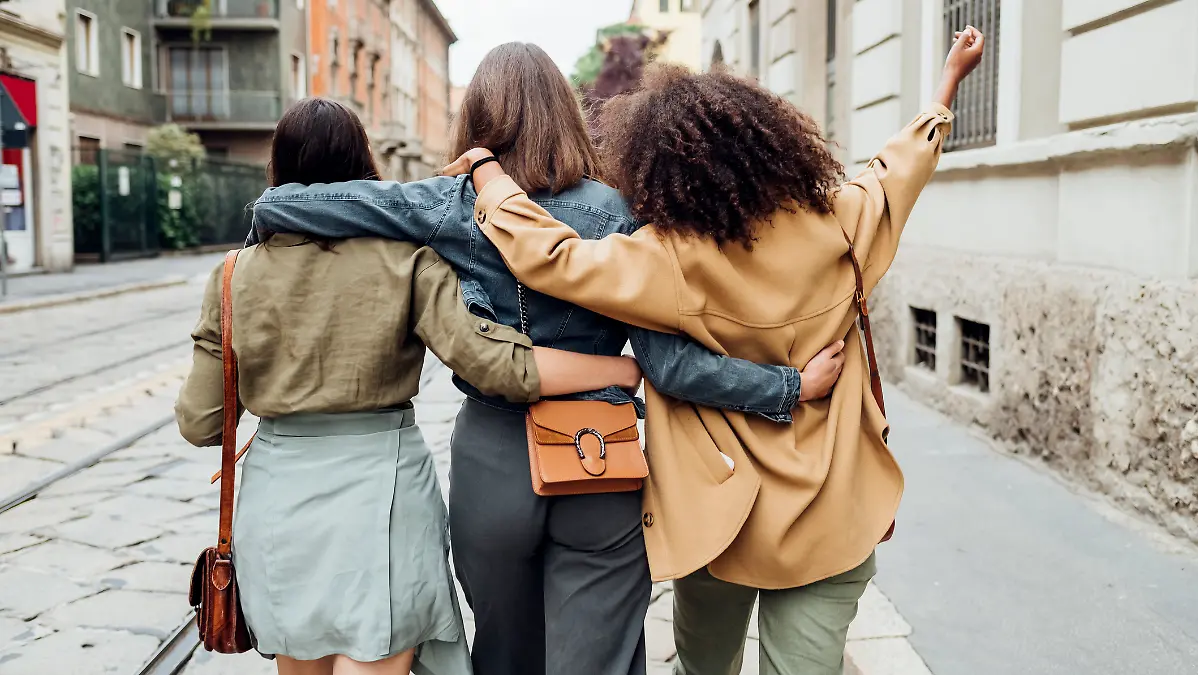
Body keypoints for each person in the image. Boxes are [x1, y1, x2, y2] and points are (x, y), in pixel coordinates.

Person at [247, 43, 847, 675]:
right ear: (567, 114)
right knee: (600, 658)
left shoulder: (447, 204)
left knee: (505, 652)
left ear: (476, 120)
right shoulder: (621, 214)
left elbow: (295, 204)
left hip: (492, 457)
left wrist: (266, 213)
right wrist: (788, 387)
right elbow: (671, 366)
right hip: (601, 455)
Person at [439, 27, 986, 675]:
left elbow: (552, 257)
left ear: (661, 169)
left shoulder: (666, 257)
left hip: (718, 522)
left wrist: (490, 175)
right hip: (831, 514)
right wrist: (945, 87)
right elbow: (898, 169)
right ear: (774, 145)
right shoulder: (843, 223)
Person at [175, 98, 661, 675]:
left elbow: (200, 421)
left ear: (277, 169)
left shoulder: (233, 273)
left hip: (281, 500)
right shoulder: (407, 260)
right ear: (365, 166)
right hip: (382, 489)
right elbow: (493, 365)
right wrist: (620, 370)